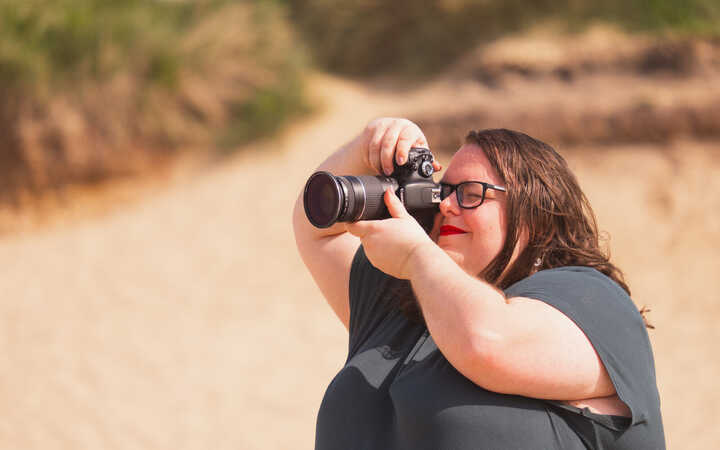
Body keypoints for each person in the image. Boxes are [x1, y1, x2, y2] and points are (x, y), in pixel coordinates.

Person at [292, 118, 665, 449]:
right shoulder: (405, 303)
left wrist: (416, 256)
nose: (447, 205)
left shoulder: (592, 300)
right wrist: (368, 144)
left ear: (537, 211)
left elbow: (486, 343)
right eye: (443, 192)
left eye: (471, 193)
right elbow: (317, 229)